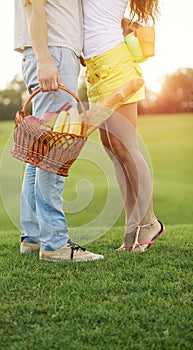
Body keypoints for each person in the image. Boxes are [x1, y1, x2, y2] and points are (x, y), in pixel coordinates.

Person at [14, 0, 104, 261]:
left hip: (55, 52)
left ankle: (34, 236)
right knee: (55, 151)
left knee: (40, 152)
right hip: (53, 53)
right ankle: (55, 243)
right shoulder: (49, 55)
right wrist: (45, 60)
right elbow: (33, 5)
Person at [82, 0, 165, 252]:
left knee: (126, 147)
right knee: (112, 149)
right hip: (95, 69)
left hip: (115, 64)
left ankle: (150, 221)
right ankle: (132, 227)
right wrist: (124, 22)